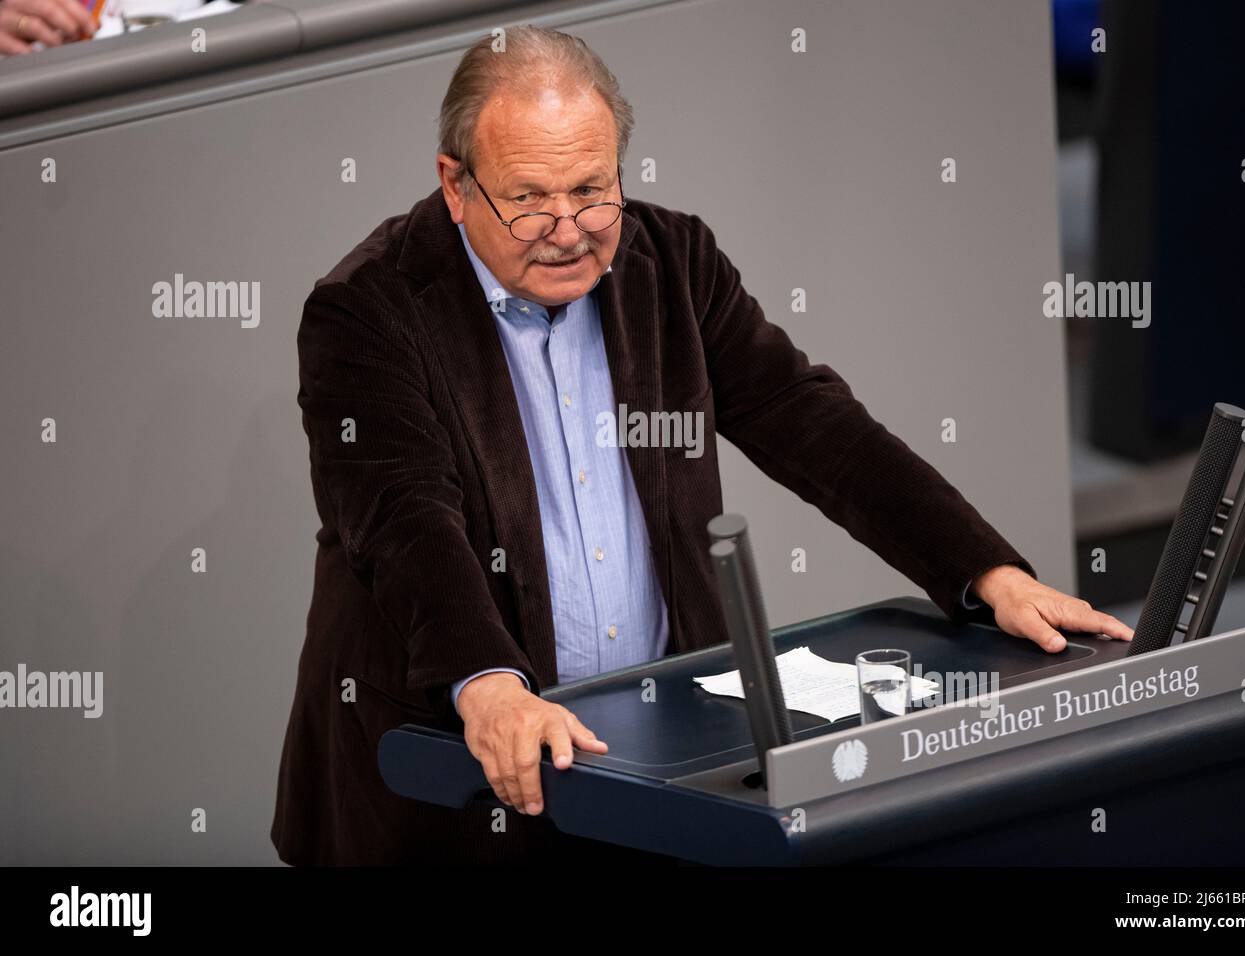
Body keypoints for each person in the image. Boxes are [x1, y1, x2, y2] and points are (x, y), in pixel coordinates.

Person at [271, 24, 1134, 866]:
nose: (568, 227)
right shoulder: (366, 308)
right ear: (455, 185)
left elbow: (807, 418)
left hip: (651, 751)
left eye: (592, 188)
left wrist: (986, 571)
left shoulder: (671, 260)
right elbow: (402, 517)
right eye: (528, 197)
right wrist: (489, 680)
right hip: (450, 769)